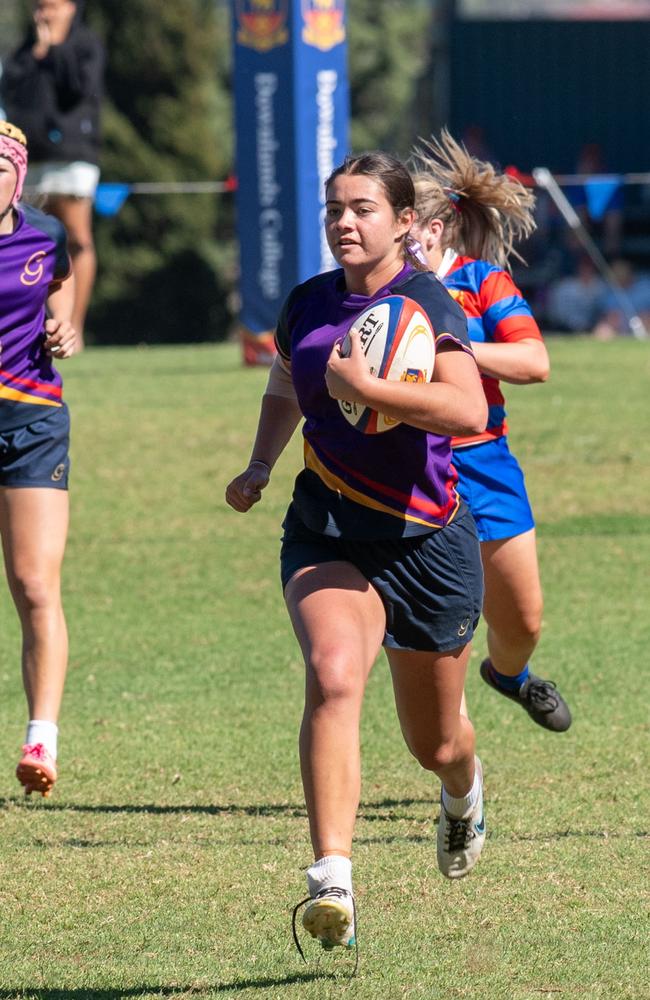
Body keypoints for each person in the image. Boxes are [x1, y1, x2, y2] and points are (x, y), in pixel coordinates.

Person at [226, 151, 488, 963]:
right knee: (335, 673)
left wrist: (374, 394)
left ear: (405, 223)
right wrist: (263, 463)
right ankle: (331, 879)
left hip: (427, 542)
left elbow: (466, 407)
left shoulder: (426, 302)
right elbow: (284, 382)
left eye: (364, 208)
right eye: (336, 207)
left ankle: (462, 794)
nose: (345, 221)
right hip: (327, 528)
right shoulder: (307, 302)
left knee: (436, 740)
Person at [409, 129, 571, 732]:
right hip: (412, 467)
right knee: (446, 624)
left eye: (406, 233)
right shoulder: (383, 293)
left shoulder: (481, 282)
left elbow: (535, 363)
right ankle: (458, 773)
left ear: (434, 229)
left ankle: (509, 676)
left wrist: (452, 350)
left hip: (484, 461)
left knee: (523, 623)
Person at [0, 120, 77, 798]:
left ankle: (41, 738)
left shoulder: (44, 234)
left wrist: (66, 321)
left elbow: (64, 281)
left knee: (32, 583)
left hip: (32, 419)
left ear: (17, 175)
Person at [0, 0, 105, 349]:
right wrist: (41, 51)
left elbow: (79, 90)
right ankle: (33, 325)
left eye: (52, 6)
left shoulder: (86, 45)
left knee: (76, 238)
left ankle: (74, 325)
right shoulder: (24, 52)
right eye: (39, 7)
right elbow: (13, 93)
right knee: (30, 238)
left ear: (73, 8)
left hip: (73, 155)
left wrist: (57, 49)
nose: (44, 14)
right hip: (31, 158)